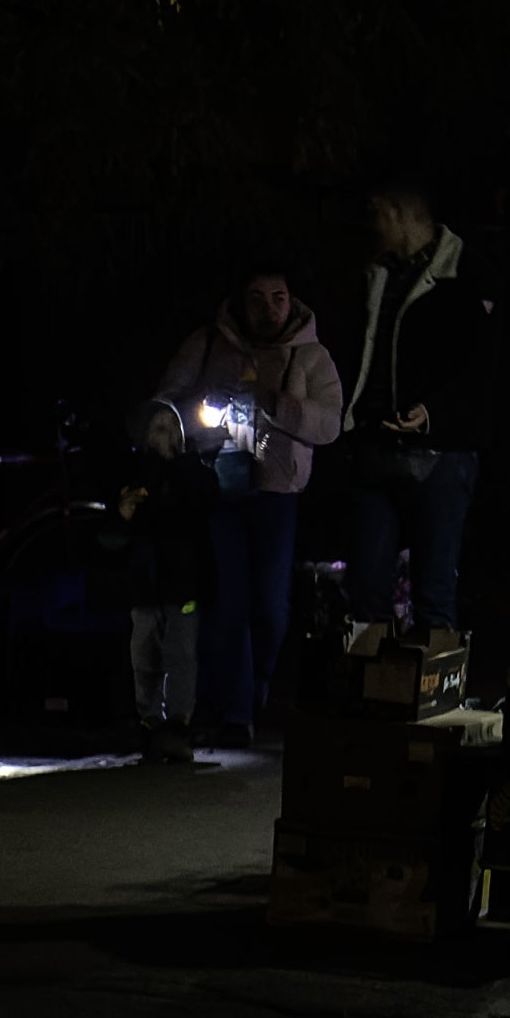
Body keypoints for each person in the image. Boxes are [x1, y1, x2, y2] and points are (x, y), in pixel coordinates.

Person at [155, 264, 339, 746]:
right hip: (223, 488)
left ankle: (256, 688)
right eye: (257, 298)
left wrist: (276, 404)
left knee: (271, 608)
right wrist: (200, 418)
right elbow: (169, 404)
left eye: (278, 297)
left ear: (291, 300)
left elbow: (330, 423)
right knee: (230, 600)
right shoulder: (211, 344)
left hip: (279, 495)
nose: (269, 308)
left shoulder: (310, 355)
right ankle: (235, 713)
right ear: (240, 301)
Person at [333, 186, 495, 636]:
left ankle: (431, 698)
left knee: (433, 591)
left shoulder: (467, 272)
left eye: (376, 210)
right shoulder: (372, 273)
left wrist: (432, 411)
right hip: (374, 445)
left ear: (399, 210)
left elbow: (483, 365)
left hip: (441, 454)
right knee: (365, 592)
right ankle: (374, 692)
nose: (369, 221)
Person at [95, 400, 211, 761]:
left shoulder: (194, 472)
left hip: (183, 585)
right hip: (144, 585)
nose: (168, 435)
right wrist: (122, 514)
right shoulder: (132, 477)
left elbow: (205, 501)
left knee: (181, 654)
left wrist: (183, 464)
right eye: (159, 428)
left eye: (173, 426)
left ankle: (178, 723)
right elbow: (110, 540)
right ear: (145, 437)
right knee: (143, 654)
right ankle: (146, 721)